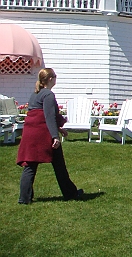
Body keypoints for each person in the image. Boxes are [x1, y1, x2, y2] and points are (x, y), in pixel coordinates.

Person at [17, 68, 83, 204]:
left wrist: (59, 129)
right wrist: (55, 136)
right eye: (55, 76)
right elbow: (48, 117)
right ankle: (70, 194)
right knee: (59, 166)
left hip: (30, 133)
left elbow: (41, 116)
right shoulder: (48, 95)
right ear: (51, 79)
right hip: (42, 135)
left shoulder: (35, 94)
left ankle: (24, 198)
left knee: (30, 165)